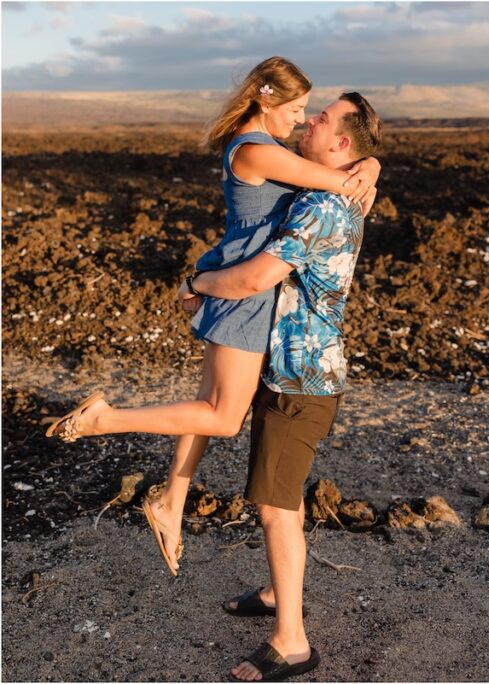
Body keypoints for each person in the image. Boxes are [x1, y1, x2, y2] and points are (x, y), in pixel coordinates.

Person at [44, 57, 379, 576]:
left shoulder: (265, 145)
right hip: (244, 293)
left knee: (206, 408)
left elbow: (334, 175)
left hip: (241, 285)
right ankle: (101, 420)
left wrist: (371, 164)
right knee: (222, 417)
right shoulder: (255, 149)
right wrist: (365, 171)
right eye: (295, 109)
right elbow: (333, 183)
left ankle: (171, 503)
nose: (300, 120)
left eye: (310, 113)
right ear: (265, 101)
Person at [175, 91, 382, 681]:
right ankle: (276, 592)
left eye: (322, 118)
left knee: (275, 504)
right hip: (294, 368)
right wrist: (372, 165)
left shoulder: (324, 206)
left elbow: (257, 277)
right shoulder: (341, 187)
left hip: (301, 377)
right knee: (280, 495)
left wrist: (198, 281)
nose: (310, 119)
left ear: (340, 143)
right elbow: (359, 163)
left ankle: (292, 641)